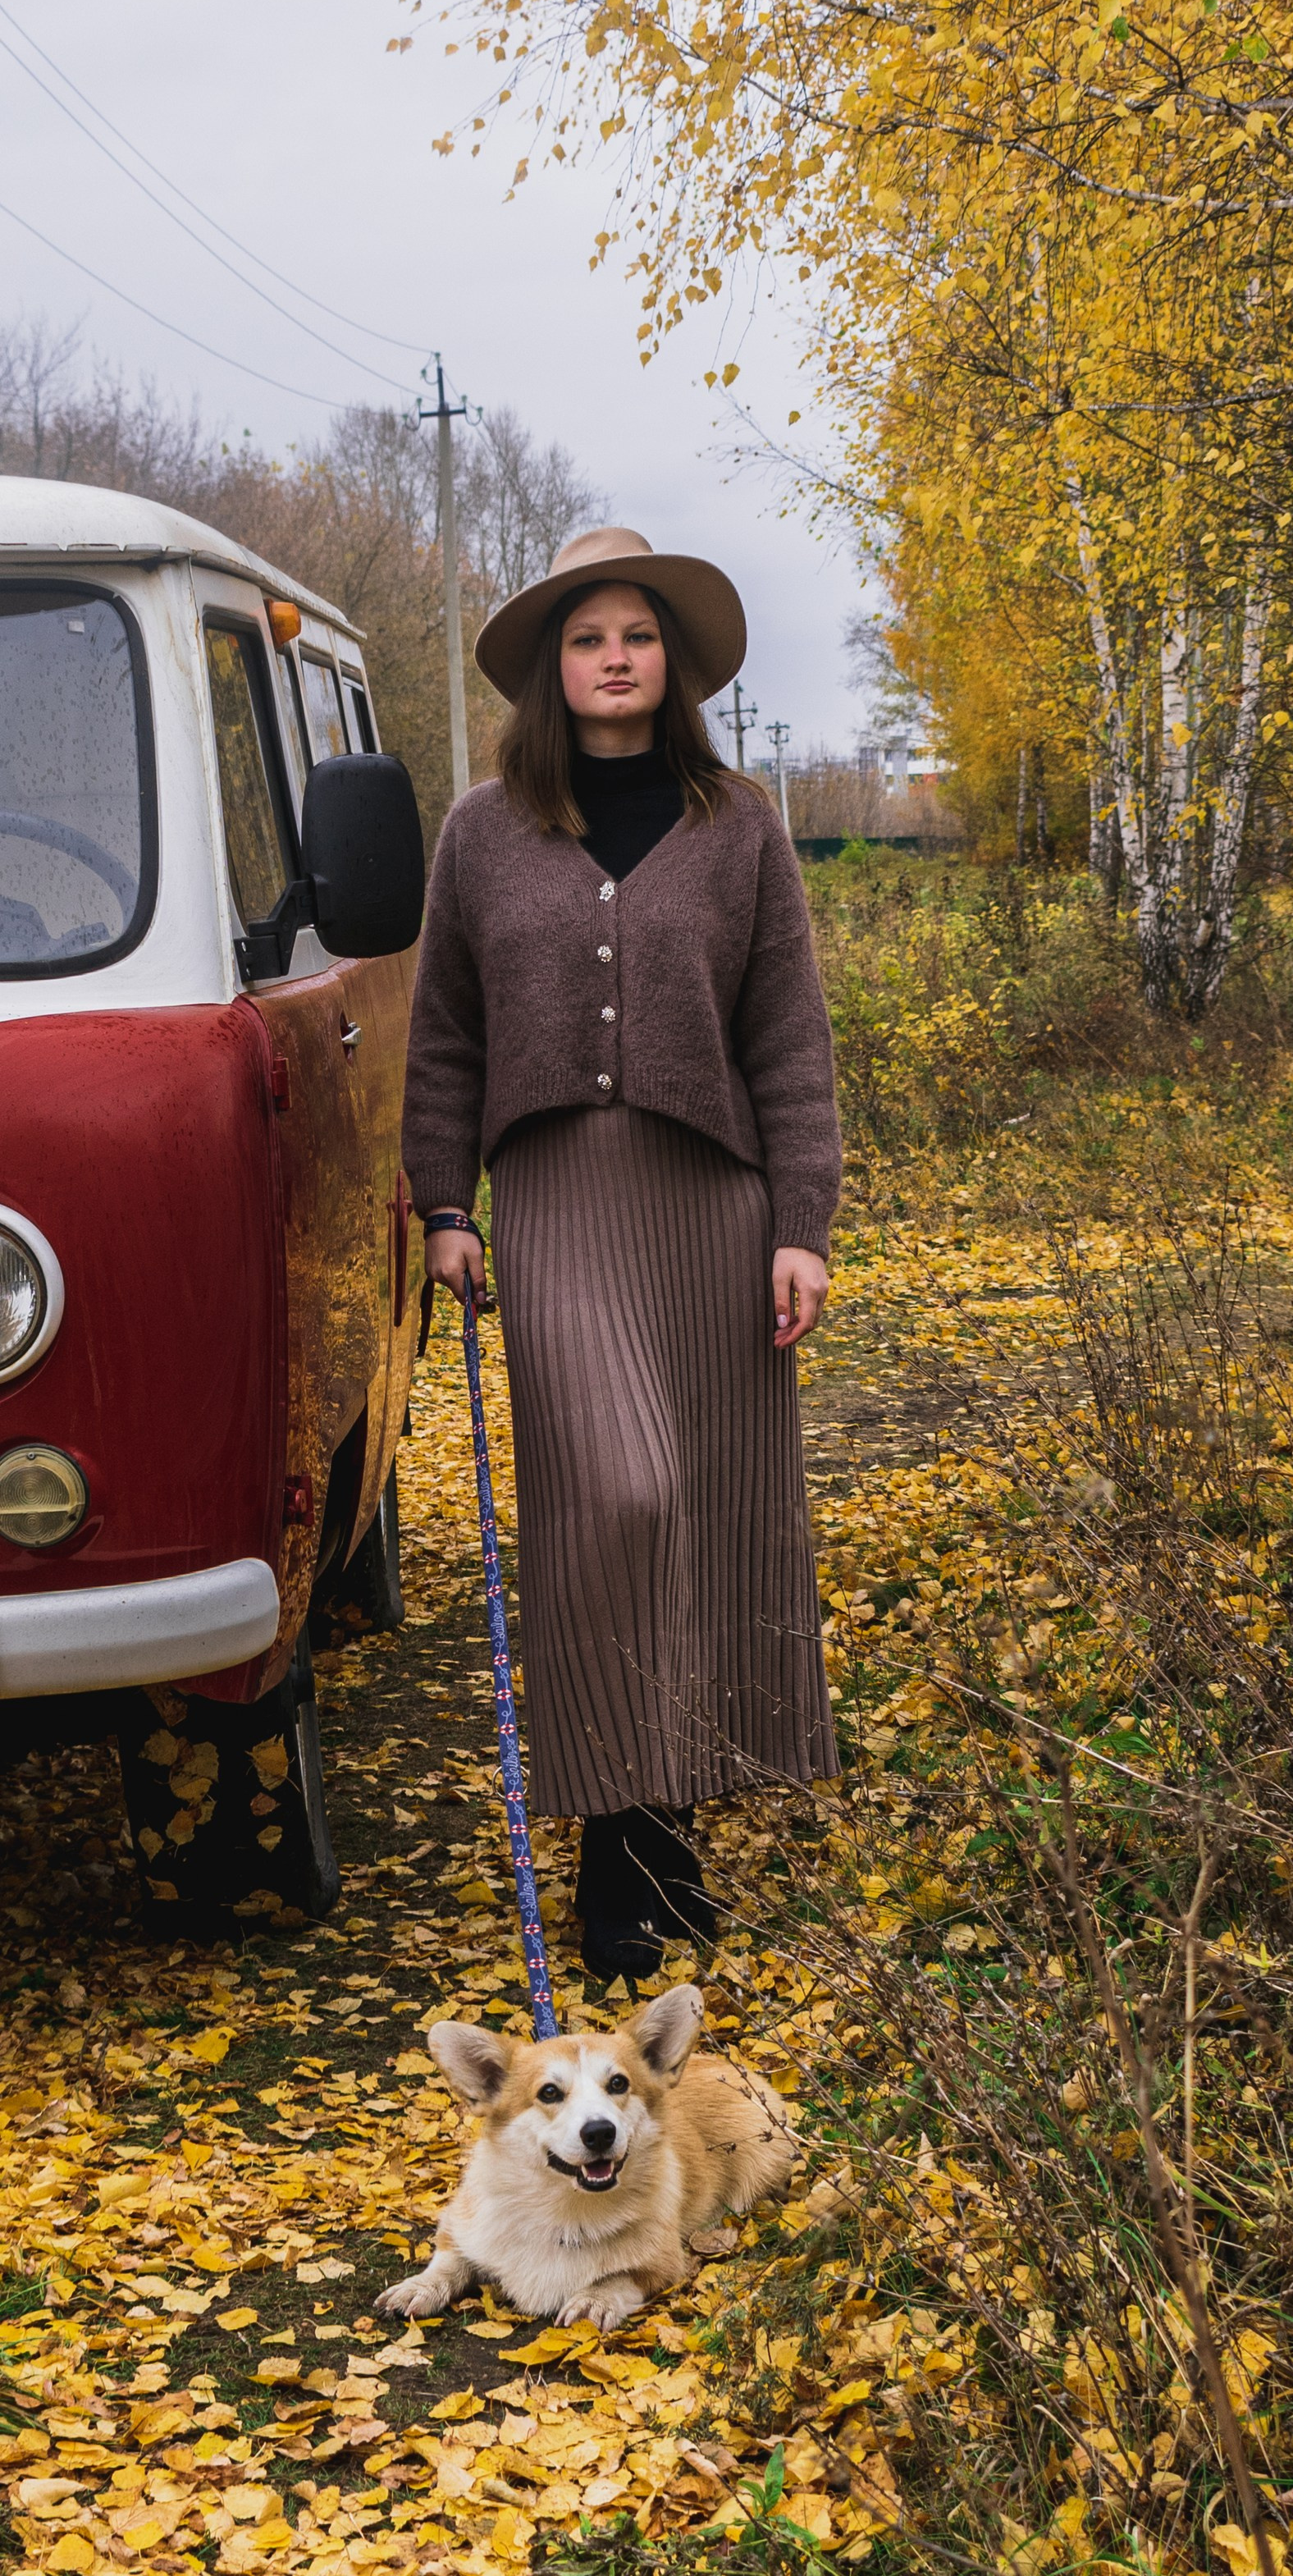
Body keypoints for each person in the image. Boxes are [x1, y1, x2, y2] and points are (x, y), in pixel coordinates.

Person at [401, 525, 841, 1984]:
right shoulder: (481, 831)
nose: (613, 657)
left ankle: (662, 1846)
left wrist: (801, 1227)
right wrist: (445, 1203)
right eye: (587, 637)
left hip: (710, 1207)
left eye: (636, 634)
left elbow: (786, 1041)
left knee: (708, 1515)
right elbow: (448, 1033)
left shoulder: (742, 824)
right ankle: (609, 1851)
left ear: (672, 661)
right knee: (618, 1504)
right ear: (549, 668)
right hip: (557, 1205)